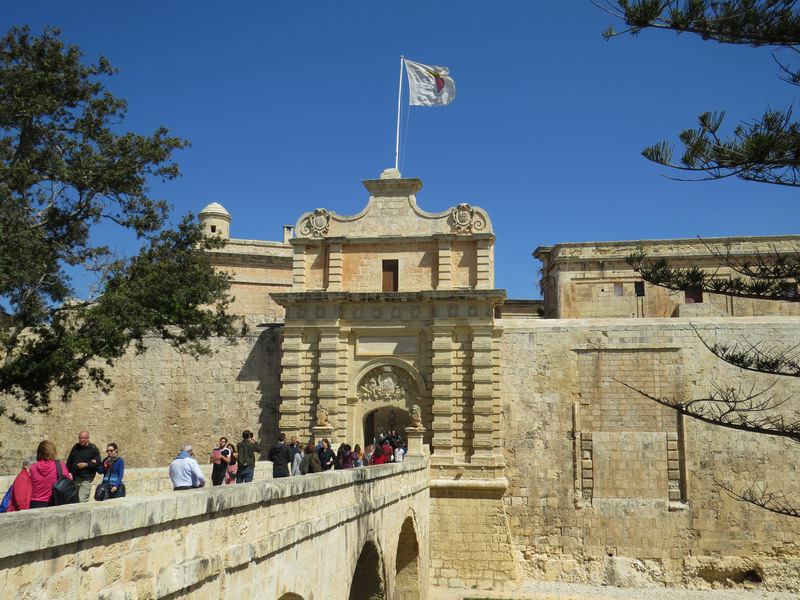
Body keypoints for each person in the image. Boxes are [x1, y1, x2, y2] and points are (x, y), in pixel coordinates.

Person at [30, 440, 72, 508]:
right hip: (53, 502)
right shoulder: (59, 465)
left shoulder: (33, 468)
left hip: (35, 503)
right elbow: (68, 481)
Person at [65, 430, 100, 503]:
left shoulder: (93, 449)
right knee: (74, 501)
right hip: (75, 479)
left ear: (88, 438)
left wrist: (86, 464)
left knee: (82, 501)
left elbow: (98, 464)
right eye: (80, 438)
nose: (81, 440)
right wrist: (67, 473)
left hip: (86, 479)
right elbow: (70, 460)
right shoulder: (75, 447)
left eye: (84, 438)